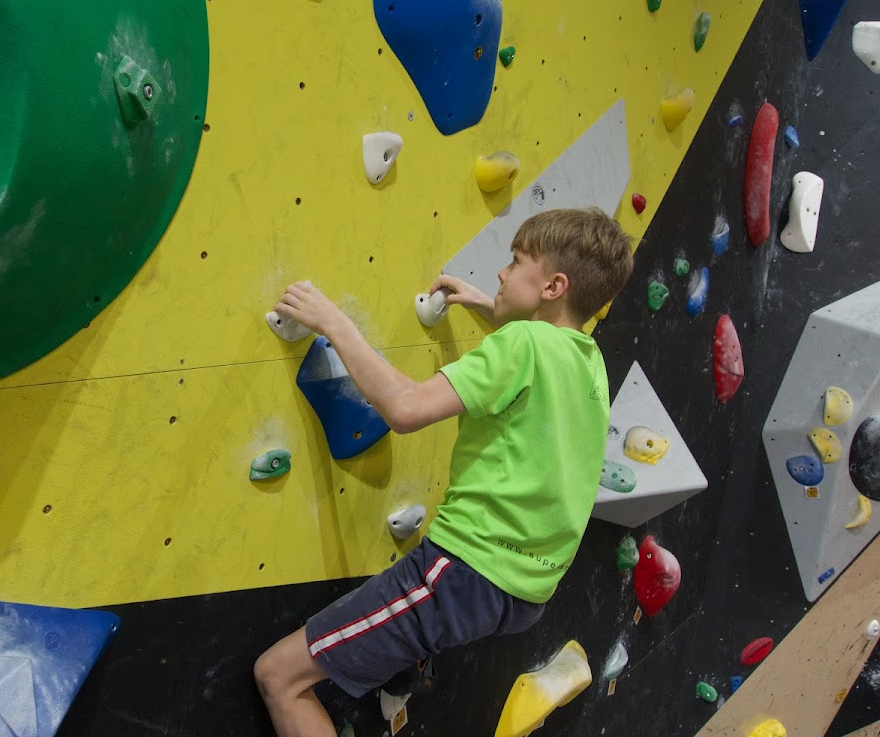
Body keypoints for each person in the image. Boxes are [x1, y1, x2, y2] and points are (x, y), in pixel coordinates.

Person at [254, 206, 634, 737]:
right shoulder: (588, 360)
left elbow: (406, 410)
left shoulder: (521, 344)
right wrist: (488, 304)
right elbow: (538, 356)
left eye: (514, 262)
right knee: (411, 631)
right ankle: (407, 660)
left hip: (464, 573)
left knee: (278, 675)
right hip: (526, 592)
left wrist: (332, 321)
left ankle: (408, 649)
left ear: (552, 286)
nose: (500, 274)